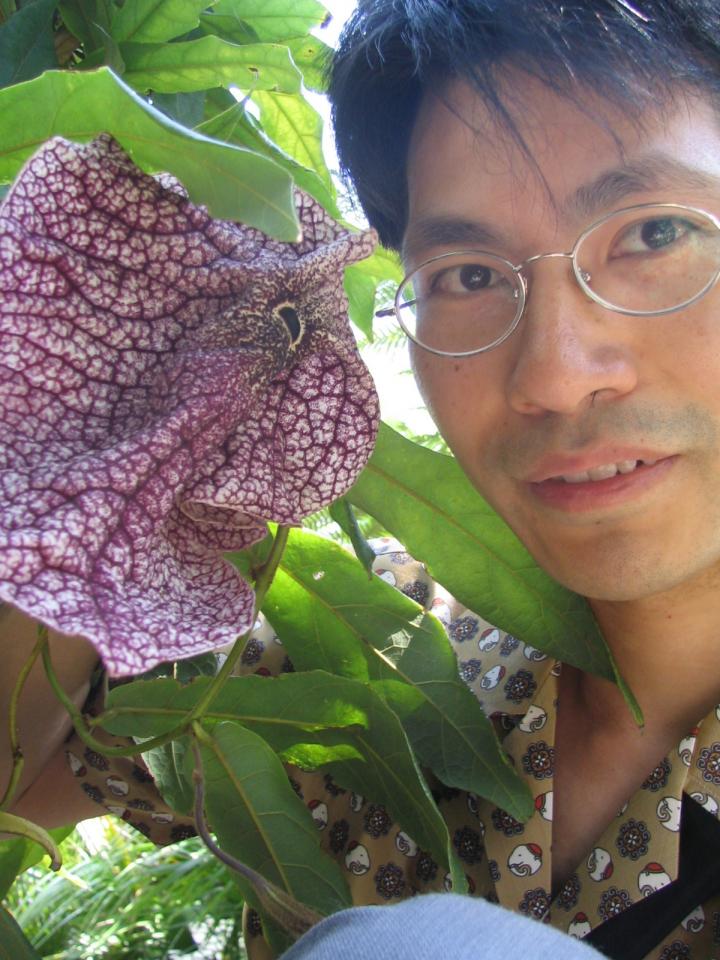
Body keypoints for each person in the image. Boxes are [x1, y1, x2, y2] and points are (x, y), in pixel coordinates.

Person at [5, 0, 720, 957]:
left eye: (656, 233)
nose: (554, 375)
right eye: (467, 274)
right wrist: (102, 412)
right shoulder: (375, 653)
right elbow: (22, 778)